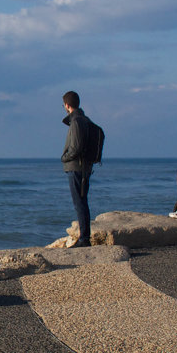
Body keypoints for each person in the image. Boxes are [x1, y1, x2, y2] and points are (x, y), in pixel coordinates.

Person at [61, 91, 99, 247]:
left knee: (80, 203)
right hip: (83, 166)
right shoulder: (83, 119)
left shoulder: (76, 121)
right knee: (81, 201)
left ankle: (84, 239)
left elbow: (76, 147)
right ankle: (85, 237)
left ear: (67, 105)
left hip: (77, 167)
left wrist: (64, 157)